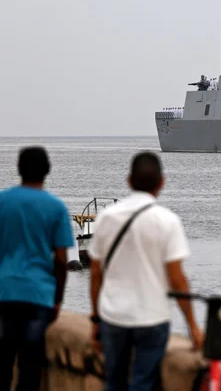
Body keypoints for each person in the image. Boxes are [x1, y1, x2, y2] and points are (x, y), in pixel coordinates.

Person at [89, 152, 203, 391]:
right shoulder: (167, 221)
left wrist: (96, 318)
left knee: (113, 382)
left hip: (114, 317)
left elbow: (96, 274)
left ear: (128, 180)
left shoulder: (106, 218)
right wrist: (192, 325)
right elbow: (177, 279)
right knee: (144, 383)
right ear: (162, 182)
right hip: (152, 318)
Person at [0, 146, 74, 391]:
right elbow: (61, 261)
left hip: (5, 292)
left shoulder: (3, 201)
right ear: (47, 171)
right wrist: (57, 301)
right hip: (38, 296)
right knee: (30, 367)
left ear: (19, 169)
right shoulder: (56, 208)